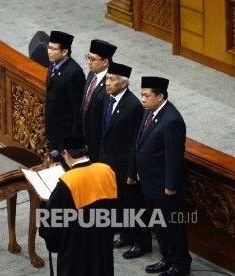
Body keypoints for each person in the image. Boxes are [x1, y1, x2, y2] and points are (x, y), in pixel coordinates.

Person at [136, 77, 192, 276]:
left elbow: (173, 157)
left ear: (160, 96)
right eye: (142, 94)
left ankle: (180, 264)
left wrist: (170, 186)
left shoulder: (172, 120)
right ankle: (167, 258)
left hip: (165, 187)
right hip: (150, 181)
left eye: (146, 95)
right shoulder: (150, 111)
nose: (142, 99)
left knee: (171, 227)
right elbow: (142, 143)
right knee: (158, 225)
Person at [39, 135, 117, 276]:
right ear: (86, 150)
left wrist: (44, 203)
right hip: (102, 246)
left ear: (66, 154)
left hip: (76, 253)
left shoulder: (68, 182)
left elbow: (51, 227)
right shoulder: (106, 171)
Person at [98, 62, 152, 259]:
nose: (107, 82)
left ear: (124, 83)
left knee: (133, 205)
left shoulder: (133, 106)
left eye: (112, 79)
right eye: (107, 78)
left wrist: (131, 172)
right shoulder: (107, 98)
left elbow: (134, 143)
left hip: (125, 167)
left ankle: (142, 242)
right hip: (109, 164)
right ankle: (126, 234)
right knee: (119, 203)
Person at [44, 31, 85, 165]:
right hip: (53, 129)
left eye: (53, 49)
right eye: (48, 47)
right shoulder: (53, 63)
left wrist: (73, 139)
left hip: (65, 134)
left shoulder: (74, 73)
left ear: (64, 51)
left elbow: (77, 108)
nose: (49, 52)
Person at [81, 39, 117, 162]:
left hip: (99, 145)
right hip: (86, 138)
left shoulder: (112, 84)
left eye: (92, 59)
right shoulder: (92, 74)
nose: (88, 62)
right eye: (88, 57)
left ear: (105, 62)